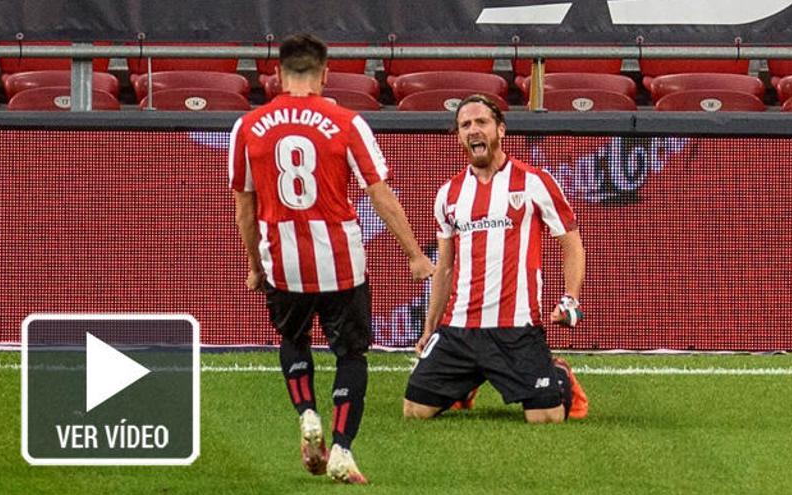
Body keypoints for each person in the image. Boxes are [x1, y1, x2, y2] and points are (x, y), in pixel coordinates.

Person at [229, 33, 434, 484]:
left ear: (277, 75)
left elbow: (245, 206)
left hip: (282, 258)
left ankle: (306, 412)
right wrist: (415, 255)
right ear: (325, 74)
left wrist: (254, 264)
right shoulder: (347, 122)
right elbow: (379, 194)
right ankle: (341, 449)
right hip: (339, 258)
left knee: (294, 340)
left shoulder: (247, 127)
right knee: (351, 354)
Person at [403, 94, 588, 423]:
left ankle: (558, 374)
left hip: (516, 329)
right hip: (459, 329)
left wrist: (570, 297)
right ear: (459, 136)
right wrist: (430, 327)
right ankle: (463, 384)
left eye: (481, 122)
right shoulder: (448, 194)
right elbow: (444, 268)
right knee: (415, 411)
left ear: (500, 130)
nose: (473, 130)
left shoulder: (534, 182)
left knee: (546, 418)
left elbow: (572, 244)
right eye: (465, 125)